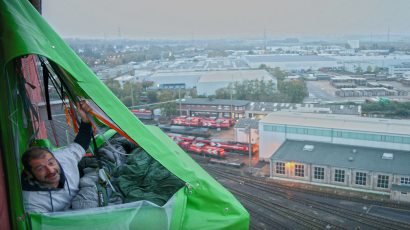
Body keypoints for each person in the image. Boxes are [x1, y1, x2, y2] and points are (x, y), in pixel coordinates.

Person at [21, 100, 93, 213]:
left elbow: (81, 144)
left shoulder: (64, 158)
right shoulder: (32, 202)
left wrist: (86, 119)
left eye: (51, 163)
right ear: (29, 174)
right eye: (40, 168)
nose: (50, 170)